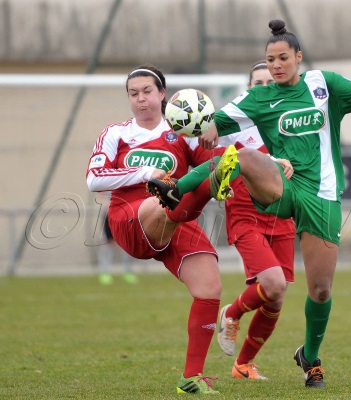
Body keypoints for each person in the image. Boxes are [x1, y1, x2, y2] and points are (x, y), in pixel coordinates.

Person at [147, 20, 351, 388]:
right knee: (242, 156)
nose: (276, 65)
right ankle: (179, 188)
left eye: (282, 58)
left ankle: (310, 356)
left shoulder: (323, 85)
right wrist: (206, 128)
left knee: (320, 290)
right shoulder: (259, 98)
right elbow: (217, 123)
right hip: (282, 189)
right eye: (270, 59)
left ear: (298, 57)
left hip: (321, 195)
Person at [86, 65, 238, 395]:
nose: (140, 99)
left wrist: (231, 150)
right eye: (133, 93)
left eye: (147, 92)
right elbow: (94, 178)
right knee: (169, 197)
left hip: (177, 215)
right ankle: (198, 192)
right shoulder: (116, 133)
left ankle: (191, 378)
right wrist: (144, 172)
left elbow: (210, 158)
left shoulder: (180, 131)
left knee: (210, 288)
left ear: (162, 94)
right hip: (131, 216)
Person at [213, 60, 297, 381]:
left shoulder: (286, 123)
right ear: (248, 90)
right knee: (272, 284)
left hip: (280, 216)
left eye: (269, 84)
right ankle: (231, 313)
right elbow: (213, 155)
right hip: (246, 214)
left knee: (276, 298)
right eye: (257, 84)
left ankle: (243, 365)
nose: (263, 88)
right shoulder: (232, 122)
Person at [97, 212, 138, 285]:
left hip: (123, 229)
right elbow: (107, 217)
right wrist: (109, 236)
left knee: (128, 251)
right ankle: (105, 273)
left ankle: (128, 273)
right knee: (107, 251)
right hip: (110, 226)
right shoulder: (110, 209)